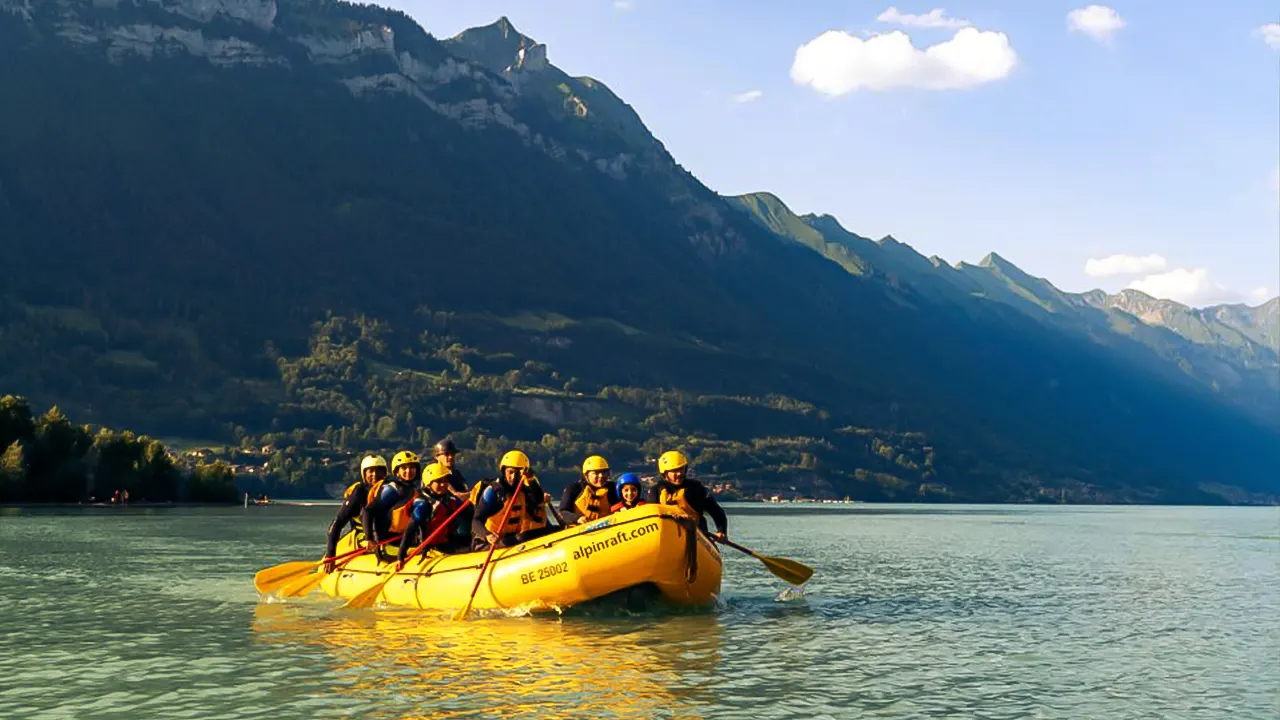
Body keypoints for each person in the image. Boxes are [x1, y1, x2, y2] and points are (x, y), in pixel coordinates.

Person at [471, 450, 551, 550]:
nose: (513, 477)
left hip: (510, 539)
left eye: (518, 473)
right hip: (486, 543)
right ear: (504, 471)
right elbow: (476, 520)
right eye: (510, 472)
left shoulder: (522, 492)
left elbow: (537, 500)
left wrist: (530, 478)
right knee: (519, 539)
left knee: (539, 534)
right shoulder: (493, 491)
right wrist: (488, 535)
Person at [396, 461, 470, 565]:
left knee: (471, 543)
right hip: (431, 547)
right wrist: (400, 557)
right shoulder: (422, 504)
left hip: (448, 541)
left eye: (445, 481)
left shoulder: (450, 500)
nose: (443, 484)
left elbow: (469, 515)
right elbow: (410, 530)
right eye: (439, 481)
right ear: (429, 484)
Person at [323, 454, 387, 572]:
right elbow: (337, 524)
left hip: (385, 538)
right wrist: (330, 555)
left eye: (379, 471)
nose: (375, 475)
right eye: (371, 471)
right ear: (364, 474)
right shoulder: (359, 493)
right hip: (362, 539)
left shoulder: (390, 490)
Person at [647, 451, 727, 540]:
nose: (679, 474)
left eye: (681, 469)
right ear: (665, 473)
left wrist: (721, 531)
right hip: (668, 537)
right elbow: (650, 518)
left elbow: (717, 512)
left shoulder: (696, 488)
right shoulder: (656, 491)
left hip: (697, 537)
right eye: (674, 471)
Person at [360, 450, 422, 562]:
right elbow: (368, 511)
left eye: (412, 467)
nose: (409, 471)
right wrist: (369, 538)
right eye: (404, 468)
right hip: (388, 544)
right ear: (397, 472)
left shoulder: (414, 489)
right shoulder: (392, 489)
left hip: (404, 540)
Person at [558, 455, 618, 525]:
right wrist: (578, 518)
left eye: (604, 472)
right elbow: (563, 512)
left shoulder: (612, 488)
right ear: (586, 476)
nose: (601, 476)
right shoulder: (574, 489)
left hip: (607, 529)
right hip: (579, 530)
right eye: (596, 473)